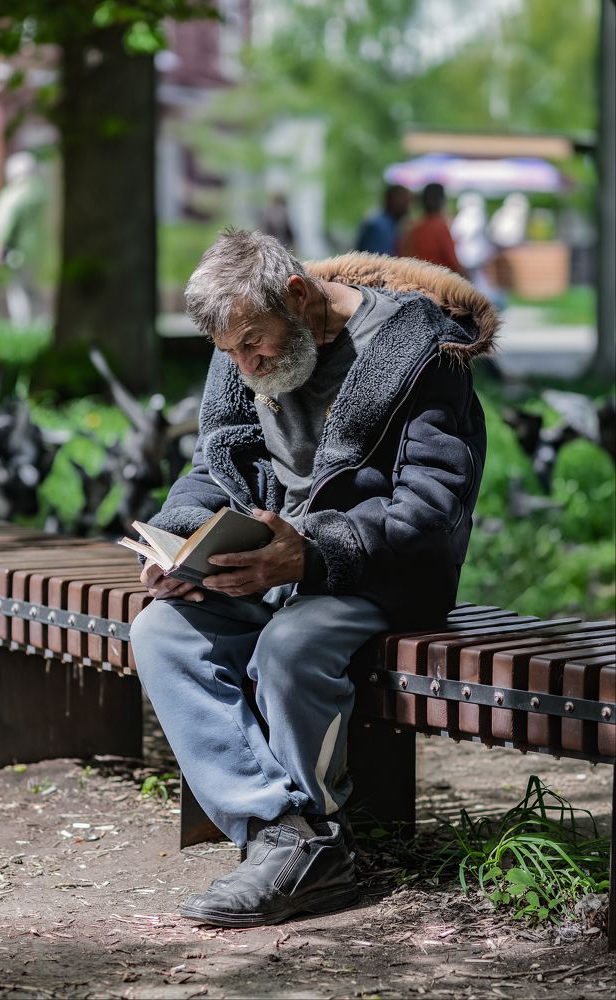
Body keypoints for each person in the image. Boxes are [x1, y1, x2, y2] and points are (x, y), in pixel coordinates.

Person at [130, 228, 497, 928]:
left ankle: (317, 840)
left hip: (380, 577)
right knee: (162, 633)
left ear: (298, 296)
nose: (244, 365)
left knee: (290, 647)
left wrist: (313, 552)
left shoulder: (422, 353)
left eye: (253, 345)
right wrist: (176, 541)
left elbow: (430, 511)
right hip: (267, 568)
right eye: (230, 353)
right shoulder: (246, 348)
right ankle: (285, 833)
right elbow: (217, 465)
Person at [0, 151, 47, 328]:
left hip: (16, 250)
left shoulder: (13, 195)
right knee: (30, 287)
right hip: (37, 250)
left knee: (18, 289)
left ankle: (23, 326)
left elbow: (4, 223)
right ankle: (44, 321)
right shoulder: (41, 193)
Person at [400, 182, 464, 274]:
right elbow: (453, 263)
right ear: (442, 201)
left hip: (416, 279)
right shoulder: (440, 227)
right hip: (436, 282)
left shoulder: (413, 227)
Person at [355, 184, 411, 255]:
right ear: (390, 200)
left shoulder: (391, 225)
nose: (407, 207)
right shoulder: (378, 226)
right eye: (403, 201)